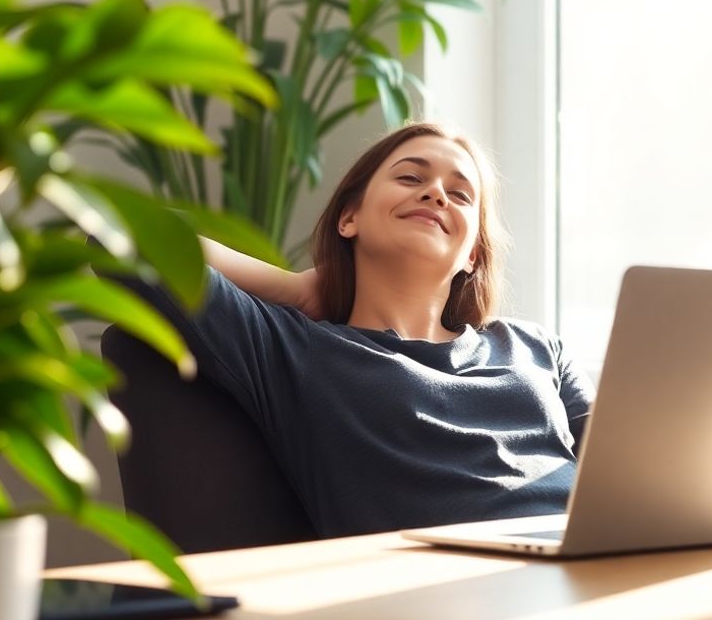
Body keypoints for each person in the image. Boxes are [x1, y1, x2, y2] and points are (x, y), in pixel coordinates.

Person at [153, 123, 594, 539]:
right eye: (409, 178)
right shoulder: (297, 350)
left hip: (597, 565)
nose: (436, 193)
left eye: (459, 194)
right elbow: (129, 235)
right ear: (349, 218)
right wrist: (291, 286)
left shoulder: (536, 348)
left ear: (472, 256)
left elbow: (635, 474)